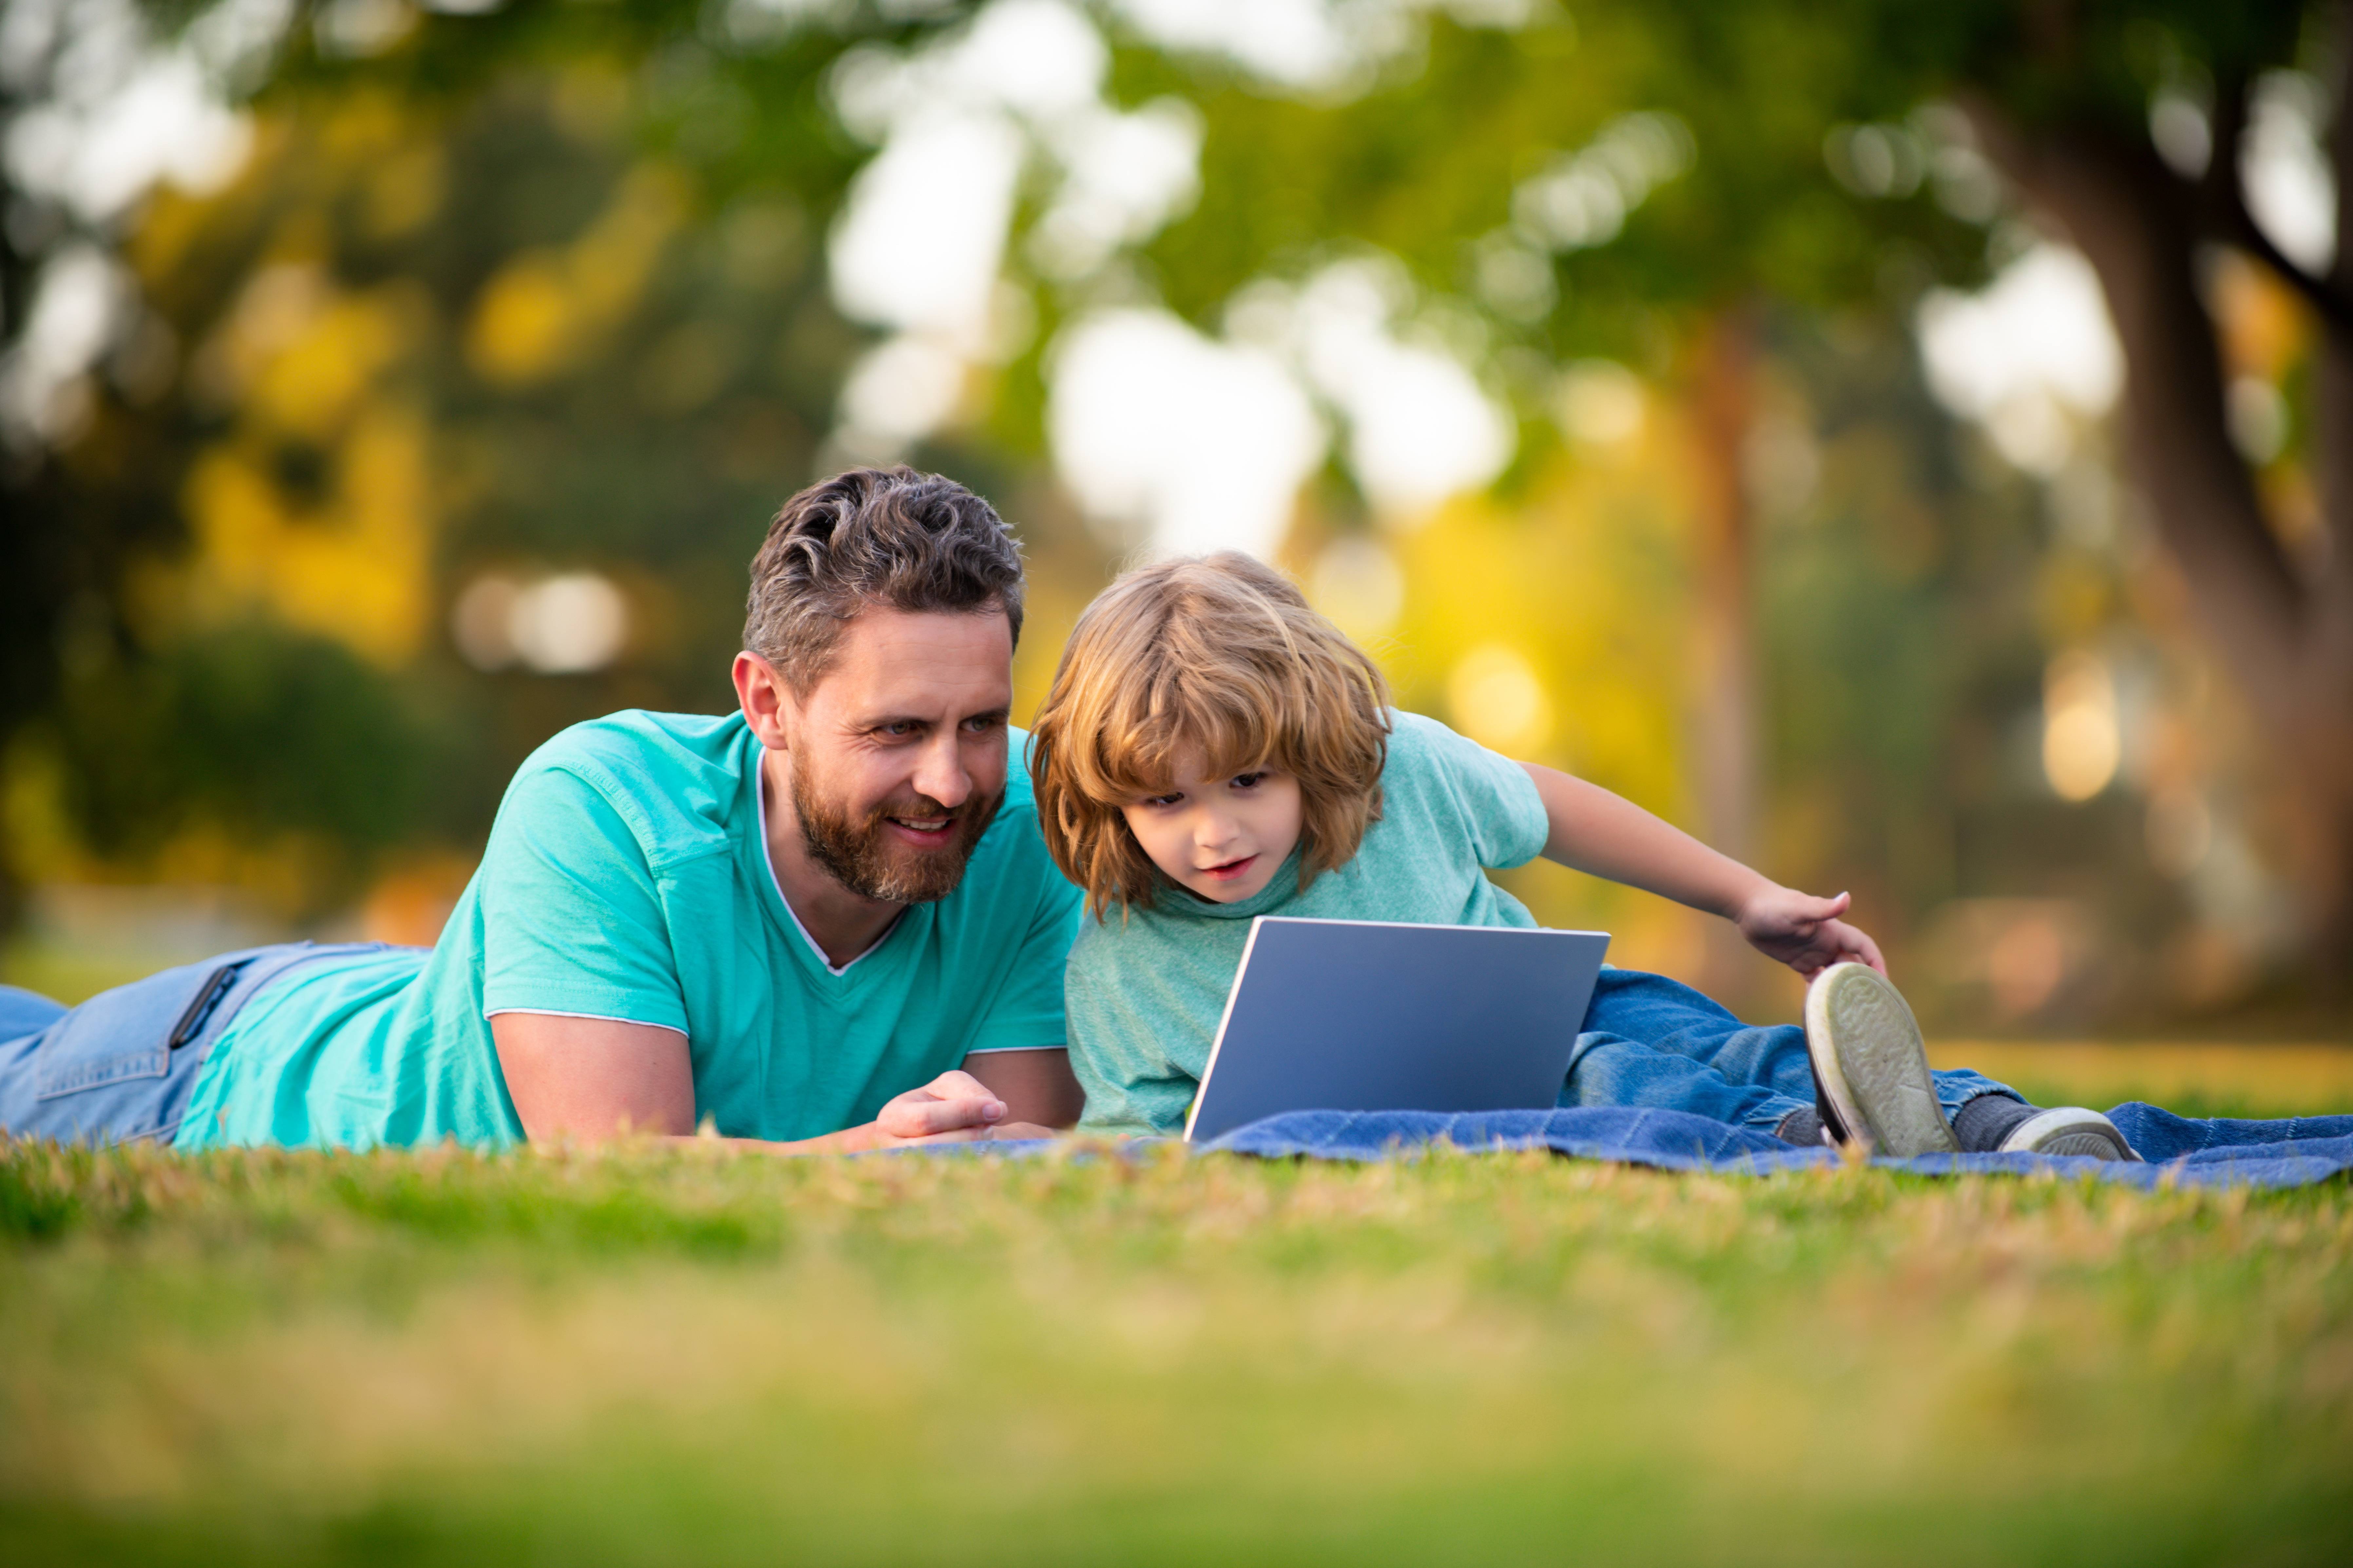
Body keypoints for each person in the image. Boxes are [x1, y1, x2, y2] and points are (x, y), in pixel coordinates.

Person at [0, 467, 1083, 1152]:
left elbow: (1011, 1153)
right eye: (896, 731)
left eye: (982, 723)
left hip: (424, 985)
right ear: (769, 703)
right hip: (207, 1070)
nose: (952, 780)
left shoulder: (1028, 816)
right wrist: (878, 1157)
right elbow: (623, 1178)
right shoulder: (603, 801)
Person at [1027, 551, 2139, 1160]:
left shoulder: (1397, 767)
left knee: (1723, 1041)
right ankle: (1812, 1141)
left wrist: (1746, 899)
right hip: (1506, 1101)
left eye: (1248, 783)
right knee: (1609, 1083)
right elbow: (1140, 1143)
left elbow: (1559, 811)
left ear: (1312, 751)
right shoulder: (1121, 965)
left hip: (1562, 1004)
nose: (1213, 831)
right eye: (1164, 801)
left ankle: (1998, 1121)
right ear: (1106, 799)